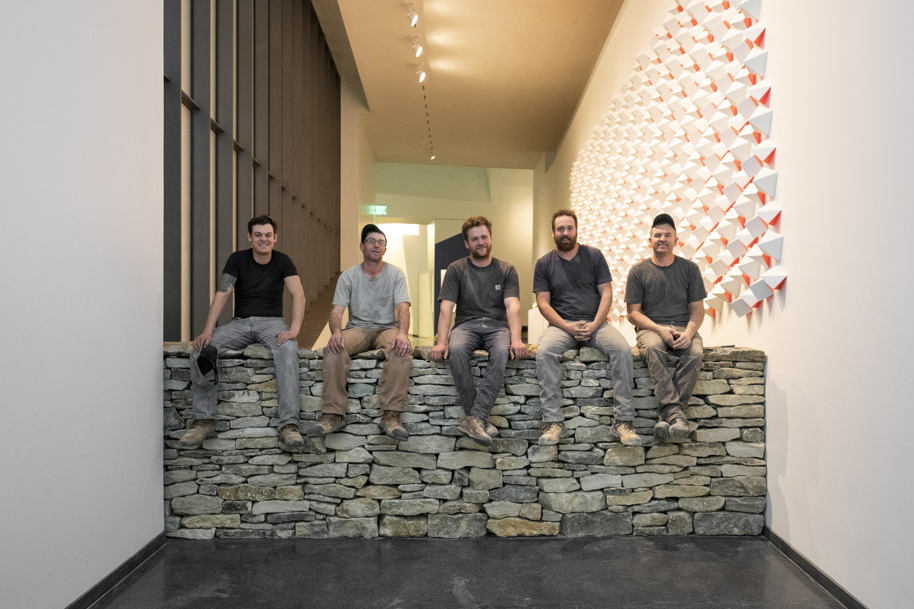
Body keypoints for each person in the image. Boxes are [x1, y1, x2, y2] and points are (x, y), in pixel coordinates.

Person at [180, 215, 307, 453]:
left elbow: (298, 295)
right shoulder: (237, 259)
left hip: (272, 323)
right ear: (250, 237)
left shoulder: (283, 261)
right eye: (258, 235)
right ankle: (203, 420)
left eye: (268, 235)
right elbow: (222, 294)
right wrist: (207, 330)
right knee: (202, 349)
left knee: (288, 349)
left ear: (275, 237)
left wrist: (294, 330)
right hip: (240, 324)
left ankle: (289, 425)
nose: (263, 239)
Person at [533, 209, 639, 446]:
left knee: (622, 349)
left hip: (597, 323)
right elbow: (543, 303)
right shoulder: (544, 264)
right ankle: (552, 422)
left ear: (576, 230)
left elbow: (607, 293)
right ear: (553, 233)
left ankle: (623, 421)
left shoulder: (594, 256)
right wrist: (567, 327)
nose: (565, 233)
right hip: (561, 326)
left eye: (569, 228)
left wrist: (594, 324)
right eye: (560, 229)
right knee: (544, 351)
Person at [430, 217, 527, 446]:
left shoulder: (506, 270)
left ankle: (475, 418)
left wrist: (516, 338)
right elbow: (446, 308)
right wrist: (441, 341)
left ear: (491, 238)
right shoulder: (456, 269)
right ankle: (480, 419)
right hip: (466, 324)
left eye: (484, 237)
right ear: (466, 243)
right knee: (457, 350)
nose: (480, 242)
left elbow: (513, 306)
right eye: (475, 239)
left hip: (496, 327)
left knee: (502, 353)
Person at [310, 224, 412, 440]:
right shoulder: (348, 276)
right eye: (371, 241)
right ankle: (333, 415)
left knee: (400, 350)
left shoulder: (396, 274)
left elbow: (403, 306)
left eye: (381, 242)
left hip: (387, 328)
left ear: (385, 248)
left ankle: (391, 417)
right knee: (334, 348)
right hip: (357, 328)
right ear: (362, 246)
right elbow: (337, 310)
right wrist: (336, 332)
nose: (376, 245)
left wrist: (403, 334)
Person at [625, 213, 707, 442]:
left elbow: (698, 310)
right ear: (649, 240)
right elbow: (633, 313)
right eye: (657, 235)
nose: (662, 239)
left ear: (676, 240)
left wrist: (689, 333)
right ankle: (677, 415)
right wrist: (660, 330)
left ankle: (668, 415)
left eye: (667, 235)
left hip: (683, 327)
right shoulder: (638, 272)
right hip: (651, 329)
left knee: (696, 352)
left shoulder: (690, 270)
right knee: (652, 348)